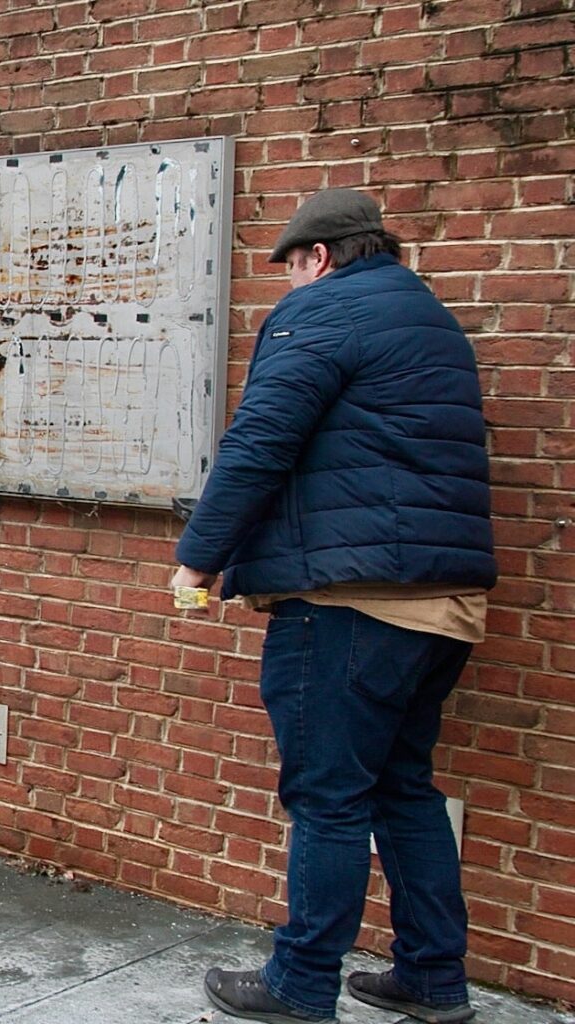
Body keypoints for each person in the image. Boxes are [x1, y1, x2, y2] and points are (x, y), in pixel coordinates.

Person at [171, 189, 495, 1024]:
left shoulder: (321, 316)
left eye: (288, 270)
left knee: (328, 797)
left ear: (317, 257)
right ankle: (434, 978)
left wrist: (199, 560)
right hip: (443, 602)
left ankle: (300, 982)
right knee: (403, 789)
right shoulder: (430, 319)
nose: (285, 288)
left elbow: (260, 442)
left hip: (347, 602)